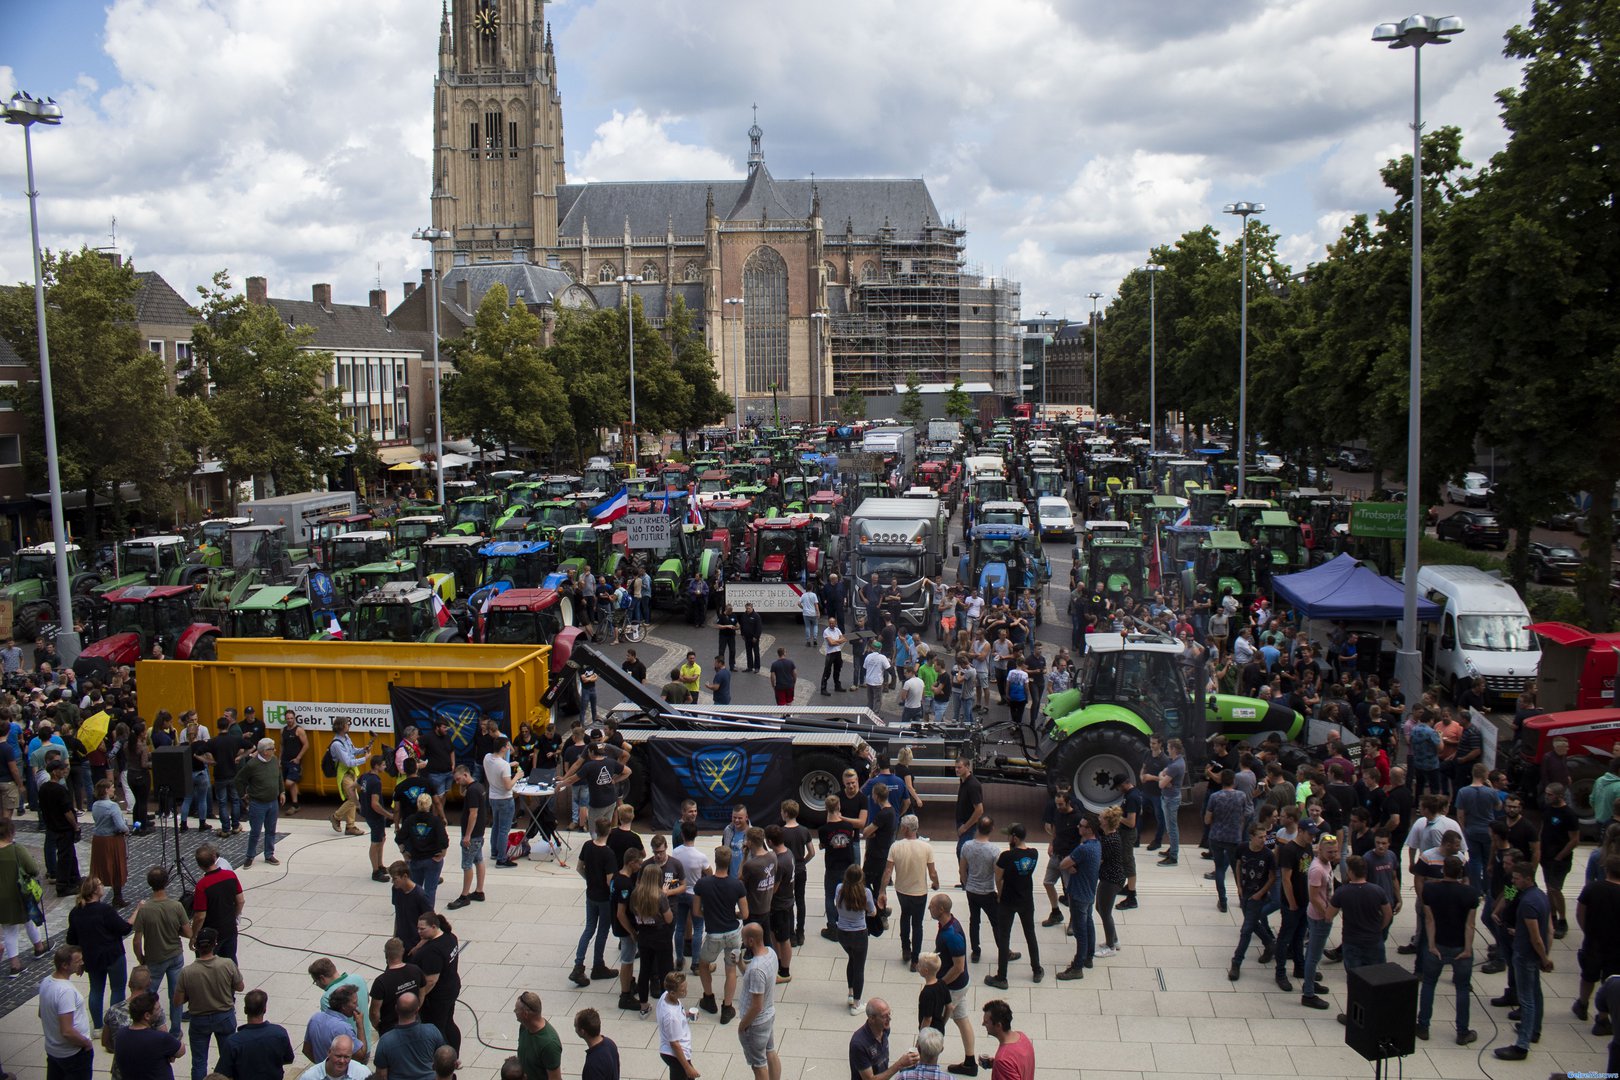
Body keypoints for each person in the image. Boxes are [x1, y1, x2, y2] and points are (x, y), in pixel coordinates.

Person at [1415, 854, 1479, 1045]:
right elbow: (1470, 925)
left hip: (1438, 944)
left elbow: (1429, 919)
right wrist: (1468, 949)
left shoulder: (1430, 890)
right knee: (1462, 988)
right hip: (1460, 945)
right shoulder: (1470, 893)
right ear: (1461, 873)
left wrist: (1432, 945)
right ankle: (1462, 1031)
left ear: (1443, 870)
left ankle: (1423, 1026)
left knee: (1428, 984)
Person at [1494, 861, 1554, 1061]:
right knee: (1535, 992)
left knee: (1527, 999)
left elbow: (1536, 936)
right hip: (1532, 952)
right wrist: (1544, 954)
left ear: (1528, 878)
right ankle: (1533, 1029)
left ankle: (1522, 1045)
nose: (1512, 881)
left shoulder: (1528, 902)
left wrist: (1545, 958)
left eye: (1516, 877)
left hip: (1525, 953)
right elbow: (1549, 930)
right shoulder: (1540, 897)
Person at [175, 928, 245, 1080]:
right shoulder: (227, 964)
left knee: (199, 1062)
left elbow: (178, 1001)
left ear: (196, 946)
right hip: (225, 1017)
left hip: (199, 1020)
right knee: (228, 1059)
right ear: (215, 944)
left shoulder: (187, 972)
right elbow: (240, 987)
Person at [65, 877, 133, 1028]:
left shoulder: (76, 913)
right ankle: (115, 1025)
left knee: (96, 990)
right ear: (95, 890)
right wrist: (137, 912)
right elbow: (124, 928)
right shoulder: (105, 910)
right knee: (117, 989)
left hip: (91, 957)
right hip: (113, 956)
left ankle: (97, 1027)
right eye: (101, 884)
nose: (103, 886)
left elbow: (71, 939)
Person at [985, 823, 1040, 989]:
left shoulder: (1006, 856)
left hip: (1008, 901)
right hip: (1026, 900)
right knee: (1030, 934)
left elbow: (998, 879)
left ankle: (1002, 977)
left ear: (1014, 838)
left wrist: (1000, 895)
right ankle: (1037, 970)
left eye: (1009, 836)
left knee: (1004, 937)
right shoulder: (1034, 854)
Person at [927, 894, 977, 1075]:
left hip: (953, 988)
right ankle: (970, 1062)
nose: (929, 908)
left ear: (941, 909)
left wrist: (939, 984)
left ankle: (928, 1063)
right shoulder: (947, 924)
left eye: (931, 906)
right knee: (962, 1019)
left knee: (935, 1025)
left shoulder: (952, 935)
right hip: (959, 986)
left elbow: (958, 967)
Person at [131, 866, 189, 1021]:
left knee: (148, 996)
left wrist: (140, 958)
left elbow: (136, 940)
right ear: (167, 882)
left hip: (154, 957)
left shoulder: (144, 910)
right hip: (175, 954)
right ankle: (176, 1030)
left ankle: (147, 1024)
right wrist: (174, 929)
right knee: (175, 994)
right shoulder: (176, 906)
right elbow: (189, 933)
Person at [883, 815, 938, 971]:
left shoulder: (895, 846)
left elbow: (888, 870)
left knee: (905, 916)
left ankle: (905, 948)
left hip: (902, 890)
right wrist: (936, 883)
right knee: (917, 924)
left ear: (905, 829)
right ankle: (915, 960)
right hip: (919, 891)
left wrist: (882, 890)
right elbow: (932, 872)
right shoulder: (926, 847)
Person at [1574, 853, 1620, 1034]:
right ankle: (1602, 1017)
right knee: (1609, 980)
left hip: (1593, 941)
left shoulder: (1593, 888)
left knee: (1588, 975)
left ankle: (1583, 1004)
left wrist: (1588, 931)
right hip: (1617, 945)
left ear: (1606, 870)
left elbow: (1579, 913)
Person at [1328, 854, 1392, 976]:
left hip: (1352, 942)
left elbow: (1329, 915)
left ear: (1350, 871)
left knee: (1355, 981)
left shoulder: (1342, 892)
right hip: (1374, 940)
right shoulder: (1377, 890)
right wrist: (1379, 928)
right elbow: (1388, 914)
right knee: (1377, 978)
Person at [1228, 824, 1278, 982]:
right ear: (1251, 837)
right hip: (1245, 893)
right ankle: (1270, 943)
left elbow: (1272, 877)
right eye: (1260, 837)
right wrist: (1239, 887)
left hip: (1257, 896)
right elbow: (1238, 865)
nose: (1264, 840)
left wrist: (1260, 894)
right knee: (1253, 922)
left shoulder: (1268, 855)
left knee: (1247, 929)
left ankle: (1236, 961)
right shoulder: (1242, 848)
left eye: (1265, 837)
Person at [1298, 832, 1340, 1010]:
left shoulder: (1325, 863)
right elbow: (1314, 897)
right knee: (1314, 957)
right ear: (1320, 849)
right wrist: (1327, 914)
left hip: (1320, 915)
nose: (1333, 855)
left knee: (1311, 954)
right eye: (1330, 852)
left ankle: (1310, 983)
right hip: (1319, 917)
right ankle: (1308, 994)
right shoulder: (1317, 869)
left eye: (1335, 852)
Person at [40, 945, 94, 1080]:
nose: (82, 963)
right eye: (77, 961)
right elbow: (67, 1031)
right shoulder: (65, 991)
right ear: (65, 965)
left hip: (53, 1050)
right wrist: (86, 1043)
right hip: (72, 1054)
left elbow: (42, 1013)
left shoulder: (46, 982)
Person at [737, 923, 782, 1080]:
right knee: (770, 1050)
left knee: (759, 1065)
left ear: (750, 941)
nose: (742, 943)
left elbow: (756, 1005)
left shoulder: (756, 968)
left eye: (743, 939)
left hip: (755, 1023)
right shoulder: (771, 953)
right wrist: (740, 964)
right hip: (769, 1015)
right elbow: (753, 981)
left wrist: (742, 1026)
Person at [1058, 817, 1100, 982]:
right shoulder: (1097, 845)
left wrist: (1069, 865)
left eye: (1081, 826)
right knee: (1089, 924)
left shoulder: (1083, 849)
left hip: (1078, 894)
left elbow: (1062, 864)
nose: (1078, 827)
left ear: (1089, 829)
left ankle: (1077, 967)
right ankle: (1089, 957)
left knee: (1080, 931)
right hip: (1089, 892)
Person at [413, 913, 462, 1052]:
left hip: (438, 997)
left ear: (434, 927)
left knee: (437, 1028)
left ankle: (446, 1059)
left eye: (423, 929)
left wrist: (419, 999)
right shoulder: (450, 938)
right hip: (452, 987)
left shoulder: (433, 952)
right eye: (418, 928)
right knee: (448, 1023)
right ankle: (455, 1055)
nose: (419, 932)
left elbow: (431, 980)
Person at [310, 958, 374, 1060]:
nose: (317, 985)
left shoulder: (327, 997)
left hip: (346, 1054)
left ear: (322, 978)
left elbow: (330, 1026)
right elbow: (367, 1000)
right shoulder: (358, 979)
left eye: (315, 981)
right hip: (365, 1043)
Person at [833, 864, 877, 1013]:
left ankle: (851, 992)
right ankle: (857, 1003)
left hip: (842, 932)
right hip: (859, 933)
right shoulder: (865, 893)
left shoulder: (840, 889)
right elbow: (872, 912)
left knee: (852, 959)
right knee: (859, 967)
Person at [113, 991, 183, 1080]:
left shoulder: (120, 1035)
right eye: (157, 1009)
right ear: (147, 1015)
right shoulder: (160, 1038)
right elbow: (181, 1050)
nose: (160, 1012)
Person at [191, 844, 243, 963]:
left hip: (210, 933)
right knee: (230, 962)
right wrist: (233, 917)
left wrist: (194, 935)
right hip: (229, 928)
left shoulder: (202, 886)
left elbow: (200, 915)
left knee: (206, 964)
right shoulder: (230, 875)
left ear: (199, 865)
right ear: (214, 858)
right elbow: (240, 900)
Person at [372, 993, 443, 1080]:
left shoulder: (385, 1041)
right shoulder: (432, 1031)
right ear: (417, 1010)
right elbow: (443, 1059)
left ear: (396, 1009)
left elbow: (381, 1076)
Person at [1541, 782, 1580, 939]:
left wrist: (1560, 856)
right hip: (1546, 856)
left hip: (1559, 859)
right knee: (1549, 888)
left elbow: (1574, 840)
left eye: (1550, 794)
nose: (1547, 797)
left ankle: (1562, 920)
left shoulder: (1569, 814)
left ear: (1559, 796)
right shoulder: (1548, 809)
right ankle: (1552, 916)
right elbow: (1543, 829)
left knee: (1555, 889)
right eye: (1546, 793)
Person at [446, 763, 488, 910]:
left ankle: (464, 896)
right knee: (479, 860)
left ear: (465, 775)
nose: (457, 783)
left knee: (467, 864)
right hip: (479, 833)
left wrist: (467, 835)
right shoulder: (478, 787)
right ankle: (479, 891)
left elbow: (473, 813)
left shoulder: (472, 791)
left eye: (458, 780)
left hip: (473, 834)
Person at [236, 738, 283, 868]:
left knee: (271, 830)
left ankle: (269, 854)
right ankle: (250, 856)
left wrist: (282, 792)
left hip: (273, 802)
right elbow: (239, 780)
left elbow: (279, 776)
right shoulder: (252, 765)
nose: (274, 750)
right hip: (258, 803)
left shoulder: (273, 760)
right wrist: (243, 795)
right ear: (264, 751)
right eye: (271, 749)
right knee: (255, 831)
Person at [959, 818, 999, 963]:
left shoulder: (967, 846)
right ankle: (1003, 949)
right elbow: (998, 875)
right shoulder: (994, 850)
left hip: (971, 890)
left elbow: (962, 869)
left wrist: (966, 883)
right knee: (996, 922)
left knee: (974, 921)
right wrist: (999, 893)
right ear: (992, 829)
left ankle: (975, 951)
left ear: (977, 828)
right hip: (987, 891)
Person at [398, 793, 449, 909]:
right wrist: (443, 854)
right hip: (432, 859)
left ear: (417, 804)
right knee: (430, 889)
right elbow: (444, 840)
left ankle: (415, 910)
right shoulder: (435, 821)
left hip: (415, 858)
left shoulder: (410, 820)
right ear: (430, 805)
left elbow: (399, 838)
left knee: (415, 888)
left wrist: (404, 853)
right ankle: (428, 912)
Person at [849, 997, 918, 1080]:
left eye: (889, 1013)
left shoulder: (885, 1029)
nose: (889, 1019)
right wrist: (900, 1064)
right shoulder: (859, 1044)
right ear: (872, 1018)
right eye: (884, 1016)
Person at [368, 939, 425, 1038]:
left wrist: (378, 1026)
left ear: (386, 955)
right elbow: (422, 992)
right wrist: (416, 1008)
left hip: (391, 1028)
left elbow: (374, 1012)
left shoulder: (381, 982)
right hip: (414, 1021)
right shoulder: (416, 970)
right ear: (402, 952)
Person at [303, 984, 368, 1066]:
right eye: (354, 1003)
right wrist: (360, 1025)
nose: (357, 1006)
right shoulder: (344, 1028)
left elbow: (306, 1050)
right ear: (344, 1006)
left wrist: (321, 1067)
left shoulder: (315, 1018)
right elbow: (361, 1055)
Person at [89, 779, 130, 904]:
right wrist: (127, 829)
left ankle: (94, 895)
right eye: (112, 787)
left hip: (98, 840)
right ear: (106, 790)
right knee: (116, 866)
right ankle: (118, 897)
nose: (114, 789)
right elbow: (120, 826)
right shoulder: (112, 806)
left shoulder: (95, 805)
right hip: (112, 840)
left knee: (99, 868)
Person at [328, 718, 371, 837]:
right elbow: (347, 762)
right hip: (344, 774)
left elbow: (352, 751)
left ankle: (350, 826)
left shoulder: (346, 738)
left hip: (351, 773)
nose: (349, 726)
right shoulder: (336, 744)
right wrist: (365, 759)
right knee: (353, 799)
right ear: (341, 726)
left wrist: (363, 749)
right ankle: (335, 816)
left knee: (352, 799)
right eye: (347, 724)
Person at [656, 971, 699, 1080]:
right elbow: (674, 1044)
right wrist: (688, 1067)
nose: (686, 992)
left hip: (675, 1053)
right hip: (677, 1055)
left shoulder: (665, 996)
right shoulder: (671, 1017)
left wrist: (686, 1014)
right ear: (672, 993)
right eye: (682, 990)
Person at [513, 991, 562, 1080]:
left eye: (516, 1010)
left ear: (525, 1014)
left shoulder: (549, 1044)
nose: (514, 1012)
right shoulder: (524, 1027)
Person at [980, 1000, 1034, 1080]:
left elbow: (1006, 1060)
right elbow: (1017, 1064)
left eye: (986, 1022)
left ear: (998, 1025)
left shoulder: (1002, 1059)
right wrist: (995, 1064)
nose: (983, 1024)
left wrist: (1000, 1065)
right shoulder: (1022, 1037)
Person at [953, 757, 985, 868]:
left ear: (967, 767)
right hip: (962, 823)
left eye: (959, 767)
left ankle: (966, 881)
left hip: (969, 825)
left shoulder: (973, 785)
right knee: (962, 852)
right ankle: (964, 880)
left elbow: (979, 810)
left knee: (962, 851)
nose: (957, 770)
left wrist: (965, 827)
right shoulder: (963, 781)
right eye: (956, 767)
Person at [297, 1035, 370, 1080]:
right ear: (329, 1052)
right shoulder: (310, 1077)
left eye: (346, 1057)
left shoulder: (362, 1074)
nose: (342, 1061)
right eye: (338, 1056)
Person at [573, 1009, 618, 1080]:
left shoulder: (593, 1063)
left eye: (575, 1025)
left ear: (582, 1031)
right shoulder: (610, 1043)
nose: (574, 1028)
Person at [280, 712, 308, 814]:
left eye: (291, 718)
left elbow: (306, 745)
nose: (289, 720)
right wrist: (279, 759)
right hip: (285, 760)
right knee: (291, 783)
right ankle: (295, 804)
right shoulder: (283, 730)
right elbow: (282, 745)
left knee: (289, 782)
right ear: (285, 719)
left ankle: (294, 804)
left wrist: (298, 758)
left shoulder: (299, 730)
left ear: (294, 719)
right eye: (288, 718)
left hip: (294, 761)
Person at [822, 617, 849, 695]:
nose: (831, 624)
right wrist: (838, 641)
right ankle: (823, 688)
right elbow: (831, 643)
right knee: (827, 671)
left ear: (835, 623)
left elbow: (844, 639)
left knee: (837, 670)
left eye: (832, 623)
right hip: (830, 653)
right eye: (830, 623)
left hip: (838, 652)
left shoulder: (837, 630)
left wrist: (836, 641)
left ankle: (837, 686)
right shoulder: (826, 631)